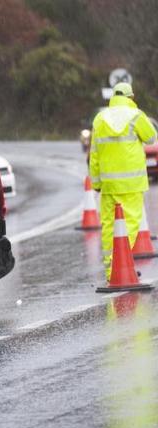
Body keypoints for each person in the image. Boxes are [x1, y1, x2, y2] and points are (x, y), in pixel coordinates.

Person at [89, 82, 157, 280]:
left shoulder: (100, 118)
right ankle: (124, 266)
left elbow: (94, 155)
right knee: (131, 225)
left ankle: (112, 270)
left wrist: (96, 183)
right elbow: (152, 138)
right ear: (131, 97)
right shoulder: (136, 116)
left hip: (109, 185)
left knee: (110, 227)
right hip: (132, 184)